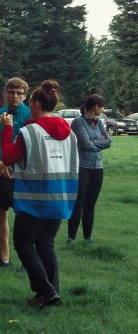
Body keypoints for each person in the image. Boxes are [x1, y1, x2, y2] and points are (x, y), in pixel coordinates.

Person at [0, 80, 78, 307]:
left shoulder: (30, 132)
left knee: (23, 244)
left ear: (34, 103)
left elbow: (8, 158)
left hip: (35, 199)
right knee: (45, 244)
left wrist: (7, 128)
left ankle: (45, 290)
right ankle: (53, 291)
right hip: (61, 197)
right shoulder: (69, 131)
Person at [0, 77, 30, 267]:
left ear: (25, 95)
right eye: (11, 92)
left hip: (24, 172)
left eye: (19, 93)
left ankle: (27, 261)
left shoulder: (30, 115)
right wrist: (0, 165)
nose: (15, 96)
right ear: (5, 93)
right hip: (0, 171)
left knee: (26, 218)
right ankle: (4, 258)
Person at [67, 94, 111, 244]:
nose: (103, 109)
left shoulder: (98, 123)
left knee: (91, 203)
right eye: (102, 106)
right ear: (95, 107)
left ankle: (88, 237)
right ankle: (71, 237)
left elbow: (109, 141)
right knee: (79, 203)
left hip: (98, 167)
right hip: (82, 167)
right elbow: (85, 144)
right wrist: (98, 142)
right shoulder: (78, 122)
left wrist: (94, 143)